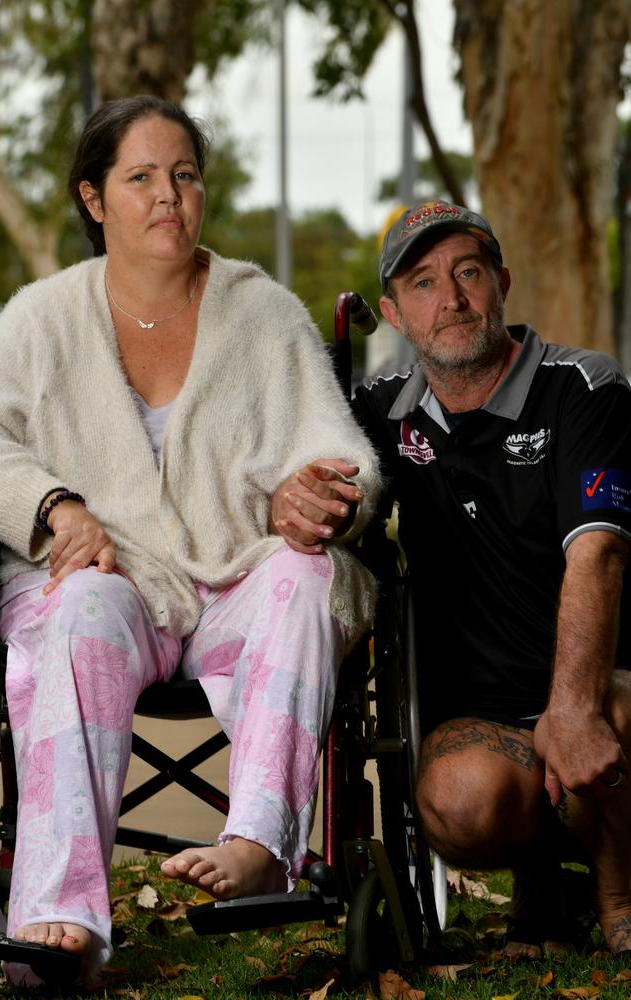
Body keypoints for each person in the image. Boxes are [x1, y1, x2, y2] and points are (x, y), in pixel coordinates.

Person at [0, 95, 380, 985]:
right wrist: (52, 506)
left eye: (185, 175)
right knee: (80, 604)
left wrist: (314, 497)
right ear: (94, 199)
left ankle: (258, 841)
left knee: (305, 574)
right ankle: (59, 918)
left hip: (229, 581)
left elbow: (338, 451)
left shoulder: (261, 310)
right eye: (142, 177)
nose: (169, 195)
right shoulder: (43, 320)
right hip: (109, 584)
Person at [279, 199, 631, 960]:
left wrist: (571, 709)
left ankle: (615, 896)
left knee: (619, 721)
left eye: (468, 271)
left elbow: (598, 552)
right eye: (424, 282)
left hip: (602, 686)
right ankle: (544, 881)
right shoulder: (379, 414)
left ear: (501, 280)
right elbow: (302, 466)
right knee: (459, 801)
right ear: (395, 314)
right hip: (482, 721)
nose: (453, 298)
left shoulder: (585, 387)